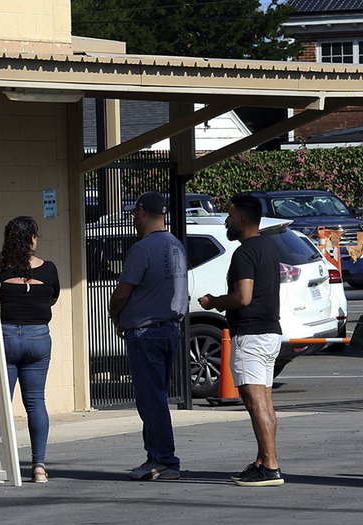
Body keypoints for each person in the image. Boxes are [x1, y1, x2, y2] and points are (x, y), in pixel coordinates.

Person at [198, 193, 284, 487]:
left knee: (254, 399)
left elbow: (243, 297)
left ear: (243, 218)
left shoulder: (245, 253)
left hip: (252, 335)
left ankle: (270, 466)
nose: (227, 221)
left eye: (231, 215)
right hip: (271, 332)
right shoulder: (270, 248)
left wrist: (214, 302)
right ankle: (263, 460)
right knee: (265, 401)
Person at [109, 192, 188, 481]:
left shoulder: (142, 250)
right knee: (156, 396)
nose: (132, 218)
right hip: (169, 330)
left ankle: (165, 460)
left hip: (146, 333)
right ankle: (155, 457)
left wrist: (115, 314)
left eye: (133, 213)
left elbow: (123, 291)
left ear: (141, 212)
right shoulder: (175, 245)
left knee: (150, 399)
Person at [0, 216, 60, 483]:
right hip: (38, 337)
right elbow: (52, 297)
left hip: (5, 336)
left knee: (1, 403)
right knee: (36, 402)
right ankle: (39, 466)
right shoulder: (49, 269)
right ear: (31, 239)